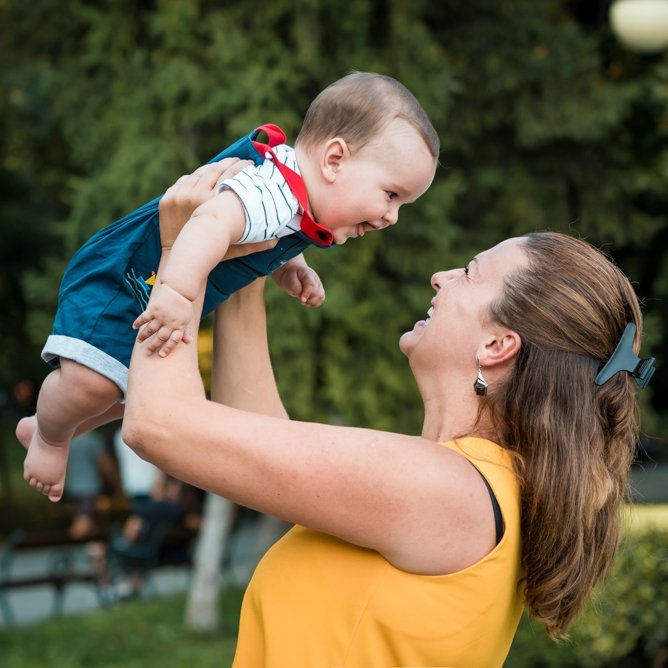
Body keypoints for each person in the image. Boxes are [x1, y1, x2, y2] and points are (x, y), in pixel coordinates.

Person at [121, 166, 654, 666]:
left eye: (468, 274)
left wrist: (175, 258)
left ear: (497, 344)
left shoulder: (445, 490)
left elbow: (160, 423)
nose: (440, 277)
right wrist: (249, 261)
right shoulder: (475, 487)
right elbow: (261, 441)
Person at [17, 70, 440, 503]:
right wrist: (178, 295)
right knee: (93, 385)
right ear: (334, 160)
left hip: (147, 291)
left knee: (120, 390)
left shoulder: (290, 198)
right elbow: (212, 220)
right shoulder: (270, 193)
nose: (392, 216)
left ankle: (48, 425)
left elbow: (261, 234)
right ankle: (51, 437)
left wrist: (288, 264)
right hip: (120, 281)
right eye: (391, 194)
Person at [64, 430, 119, 539]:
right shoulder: (93, 440)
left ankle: (92, 549)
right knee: (84, 520)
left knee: (88, 520)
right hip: (90, 487)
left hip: (73, 487)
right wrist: (114, 481)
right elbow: (104, 464)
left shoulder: (69, 440)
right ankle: (70, 547)